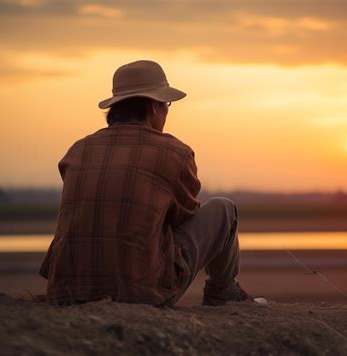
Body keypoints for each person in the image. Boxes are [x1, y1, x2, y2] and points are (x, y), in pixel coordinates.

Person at [39, 60, 252, 307]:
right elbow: (184, 217)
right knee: (223, 209)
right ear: (153, 107)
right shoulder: (174, 153)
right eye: (166, 106)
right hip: (140, 294)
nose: (166, 113)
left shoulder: (77, 150)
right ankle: (222, 291)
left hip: (65, 292)